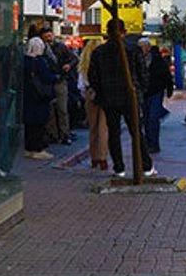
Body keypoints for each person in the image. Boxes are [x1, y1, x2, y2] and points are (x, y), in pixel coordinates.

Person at [89, 19, 156, 178]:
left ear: (108, 31)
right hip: (130, 97)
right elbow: (143, 74)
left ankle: (119, 168)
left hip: (109, 98)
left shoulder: (99, 52)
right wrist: (139, 90)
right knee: (136, 132)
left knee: (114, 133)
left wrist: (101, 92)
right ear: (124, 32)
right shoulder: (133, 50)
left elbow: (93, 77)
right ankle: (146, 166)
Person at [22, 37, 58, 160]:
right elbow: (47, 77)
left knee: (29, 124)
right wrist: (56, 77)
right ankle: (37, 148)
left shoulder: (24, 61)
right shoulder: (40, 62)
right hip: (39, 97)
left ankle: (28, 148)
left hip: (27, 96)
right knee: (39, 123)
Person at [79, 39, 109, 171]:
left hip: (89, 94)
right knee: (103, 128)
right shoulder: (105, 62)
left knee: (93, 128)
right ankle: (103, 158)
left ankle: (94, 157)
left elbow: (80, 85)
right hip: (104, 95)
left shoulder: (84, 64)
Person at [42, 28, 76, 145]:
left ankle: (64, 134)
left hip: (60, 80)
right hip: (49, 82)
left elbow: (74, 58)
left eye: (49, 35)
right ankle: (53, 134)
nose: (48, 37)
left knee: (62, 109)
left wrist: (68, 65)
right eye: (46, 35)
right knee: (50, 110)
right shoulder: (43, 48)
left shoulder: (60, 47)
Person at [141, 39, 172, 153]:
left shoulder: (157, 60)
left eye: (143, 46)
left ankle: (154, 144)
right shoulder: (138, 59)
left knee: (153, 118)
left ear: (148, 47)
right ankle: (148, 142)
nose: (142, 49)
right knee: (145, 118)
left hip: (155, 91)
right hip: (144, 93)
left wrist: (169, 89)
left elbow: (166, 75)